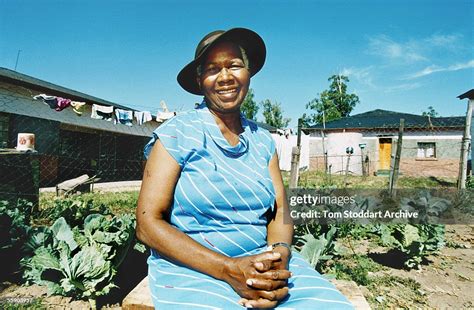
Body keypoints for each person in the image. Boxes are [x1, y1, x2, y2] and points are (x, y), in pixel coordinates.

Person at [136, 28, 353, 309]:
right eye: (213, 69)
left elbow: (280, 213)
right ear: (200, 80)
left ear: (248, 74)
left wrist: (277, 262)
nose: (225, 76)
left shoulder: (262, 141)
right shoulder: (177, 134)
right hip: (194, 269)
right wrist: (229, 269)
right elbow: (147, 224)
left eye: (234, 65)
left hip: (263, 262)